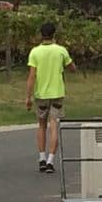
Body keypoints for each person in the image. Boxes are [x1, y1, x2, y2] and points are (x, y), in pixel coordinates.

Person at [25, 22, 76, 173]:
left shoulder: (35, 52)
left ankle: (41, 157)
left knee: (41, 125)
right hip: (57, 93)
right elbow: (72, 67)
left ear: (41, 34)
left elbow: (32, 76)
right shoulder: (61, 50)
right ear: (54, 34)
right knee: (54, 126)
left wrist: (28, 96)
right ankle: (50, 160)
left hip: (41, 94)